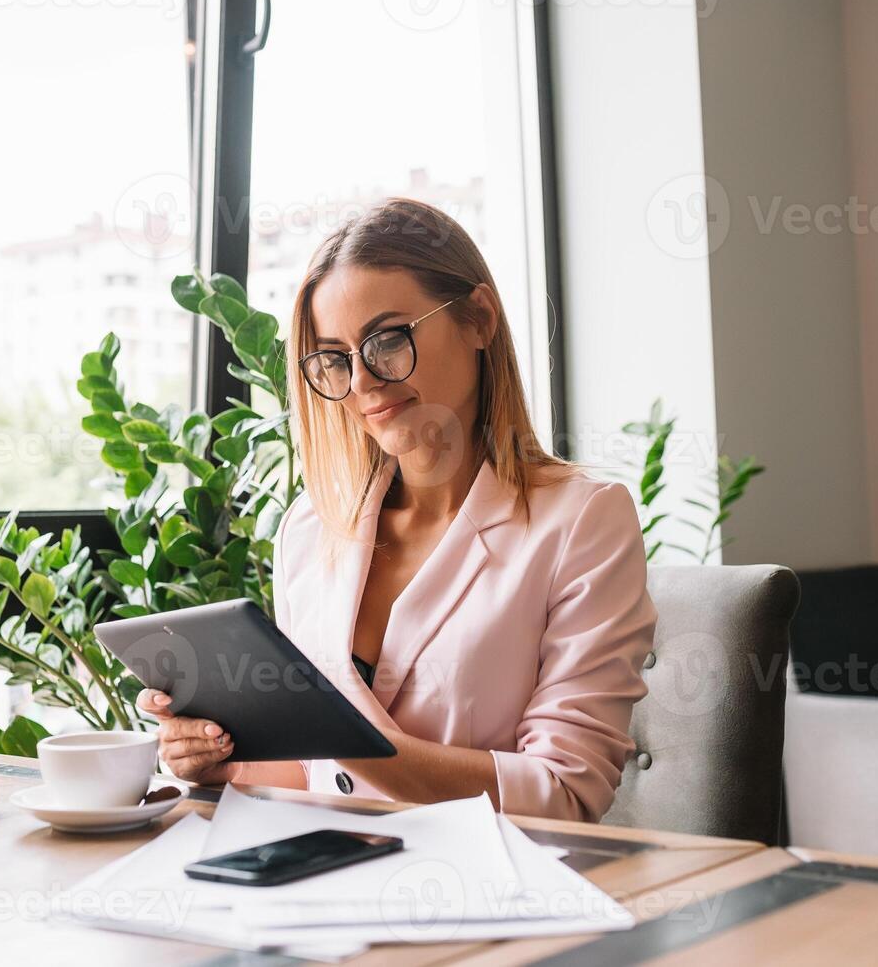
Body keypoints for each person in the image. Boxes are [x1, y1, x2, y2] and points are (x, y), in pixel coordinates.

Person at [138, 198, 656, 822]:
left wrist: (344, 739)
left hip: (493, 893)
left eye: (388, 341)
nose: (361, 383)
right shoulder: (311, 529)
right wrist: (223, 759)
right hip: (327, 878)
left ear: (479, 320)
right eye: (334, 358)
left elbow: (565, 794)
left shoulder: (580, 521)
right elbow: (317, 774)